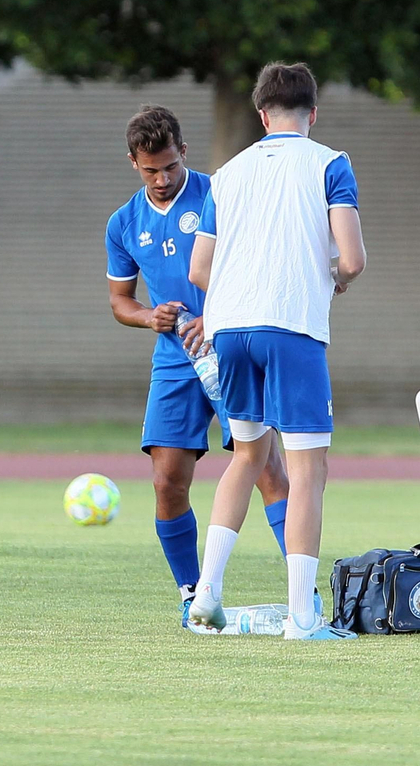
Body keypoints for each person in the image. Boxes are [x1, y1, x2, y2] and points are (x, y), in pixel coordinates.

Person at [186, 62, 366, 641]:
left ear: (261, 114)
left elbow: (199, 269)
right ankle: (303, 618)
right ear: (313, 113)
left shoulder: (226, 173)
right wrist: (333, 275)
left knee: (246, 457)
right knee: (309, 467)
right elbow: (353, 258)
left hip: (230, 329)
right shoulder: (329, 163)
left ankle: (206, 593)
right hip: (291, 326)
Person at [105, 105, 293, 630]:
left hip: (231, 349)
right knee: (167, 482)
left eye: (169, 166)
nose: (162, 179)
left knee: (268, 469)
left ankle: (304, 591)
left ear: (184, 151)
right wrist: (150, 316)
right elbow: (120, 300)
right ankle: (191, 595)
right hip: (174, 364)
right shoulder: (123, 224)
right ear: (133, 164)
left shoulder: (220, 194)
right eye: (150, 171)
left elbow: (258, 268)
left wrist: (214, 316)